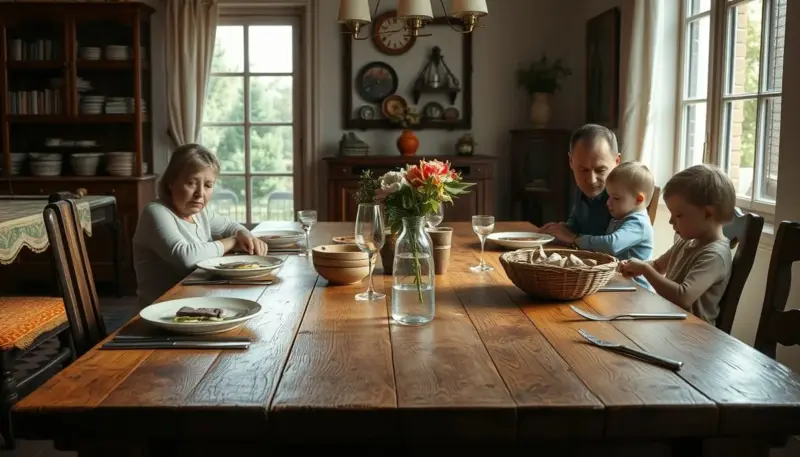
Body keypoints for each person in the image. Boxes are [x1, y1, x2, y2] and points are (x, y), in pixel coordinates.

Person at [133, 143, 268, 306]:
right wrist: (233, 241)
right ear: (171, 182)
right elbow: (185, 256)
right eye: (191, 183)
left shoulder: (199, 213)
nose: (200, 194)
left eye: (208, 185)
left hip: (197, 303)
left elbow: (231, 226)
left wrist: (244, 234)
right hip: (160, 310)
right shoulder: (155, 212)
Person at [620, 164, 735, 325]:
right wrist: (634, 267)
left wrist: (645, 269)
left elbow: (683, 297)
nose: (671, 221)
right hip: (670, 323)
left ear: (708, 213)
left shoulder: (715, 255)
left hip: (695, 333)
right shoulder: (686, 241)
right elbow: (658, 266)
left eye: (678, 215)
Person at [575, 161, 655, 290]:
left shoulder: (638, 224)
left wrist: (577, 239)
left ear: (638, 200)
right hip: (620, 284)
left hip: (636, 290)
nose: (608, 203)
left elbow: (611, 245)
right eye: (609, 196)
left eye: (616, 198)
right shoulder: (621, 218)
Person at [540, 123, 620, 244]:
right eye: (583, 170)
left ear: (617, 161)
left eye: (600, 170)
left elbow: (614, 244)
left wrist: (573, 238)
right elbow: (576, 223)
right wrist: (562, 228)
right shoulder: (582, 188)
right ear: (571, 161)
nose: (591, 180)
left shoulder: (626, 197)